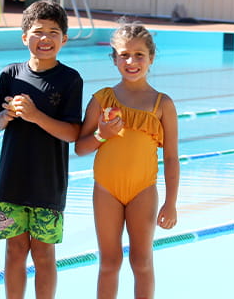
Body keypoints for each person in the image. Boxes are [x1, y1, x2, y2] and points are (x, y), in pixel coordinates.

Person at [0, 0, 83, 299]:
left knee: (43, 255)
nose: (45, 39)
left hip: (48, 185)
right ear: (24, 36)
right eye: (38, 32)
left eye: (53, 32)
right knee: (14, 252)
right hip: (12, 183)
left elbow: (72, 134)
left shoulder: (69, 79)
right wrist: (6, 116)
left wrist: (36, 116)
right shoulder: (9, 75)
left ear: (64, 39)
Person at [75, 22, 179, 299]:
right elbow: (80, 148)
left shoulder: (162, 104)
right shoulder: (103, 99)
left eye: (139, 55)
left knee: (141, 262)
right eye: (124, 54)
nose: (131, 61)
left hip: (143, 190)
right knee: (109, 263)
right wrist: (101, 134)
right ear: (114, 58)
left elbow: (170, 158)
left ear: (151, 58)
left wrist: (171, 202)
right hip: (106, 190)